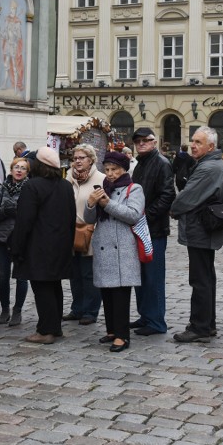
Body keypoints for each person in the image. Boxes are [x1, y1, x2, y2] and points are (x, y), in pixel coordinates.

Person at [170, 126, 223, 343]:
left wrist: (173, 209)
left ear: (210, 146)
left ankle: (200, 327)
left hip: (201, 228)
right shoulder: (209, 163)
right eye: (192, 141)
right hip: (203, 228)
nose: (193, 145)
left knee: (200, 279)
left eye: (198, 142)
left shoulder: (208, 168)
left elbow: (187, 197)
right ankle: (207, 323)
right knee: (206, 277)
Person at [10, 148, 75, 344]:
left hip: (38, 246)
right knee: (54, 286)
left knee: (42, 287)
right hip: (60, 244)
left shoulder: (33, 186)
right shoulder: (65, 185)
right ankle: (55, 327)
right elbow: (71, 217)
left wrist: (17, 247)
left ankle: (46, 330)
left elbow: (24, 220)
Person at [84, 151, 144, 353]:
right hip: (103, 245)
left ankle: (122, 335)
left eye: (114, 170)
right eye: (107, 169)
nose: (109, 174)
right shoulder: (103, 189)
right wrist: (91, 203)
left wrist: (106, 203)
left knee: (119, 293)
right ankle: (111, 330)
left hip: (123, 248)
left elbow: (133, 215)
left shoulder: (134, 189)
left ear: (124, 169)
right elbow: (89, 219)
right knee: (106, 291)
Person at [130, 127, 175, 336]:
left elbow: (167, 196)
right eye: (137, 141)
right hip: (140, 228)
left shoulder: (162, 163)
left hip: (154, 229)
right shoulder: (140, 164)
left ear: (154, 142)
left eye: (145, 140)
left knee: (153, 277)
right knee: (140, 276)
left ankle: (156, 321)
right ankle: (146, 315)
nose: (141, 144)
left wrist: (145, 216)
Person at [64, 143, 106, 326]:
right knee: (74, 273)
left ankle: (91, 310)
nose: (77, 161)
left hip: (90, 231)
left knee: (89, 274)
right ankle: (77, 308)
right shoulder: (68, 178)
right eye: (75, 158)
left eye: (82, 158)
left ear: (91, 160)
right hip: (70, 231)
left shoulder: (101, 179)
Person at [0, 156, 30, 327]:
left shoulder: (30, 189)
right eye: (17, 167)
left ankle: (17, 310)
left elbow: (33, 214)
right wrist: (4, 211)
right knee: (2, 276)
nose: (19, 170)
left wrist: (19, 212)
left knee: (21, 276)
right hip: (2, 238)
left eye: (23, 168)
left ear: (27, 172)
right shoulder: (0, 189)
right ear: (11, 169)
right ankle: (5, 309)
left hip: (22, 238)